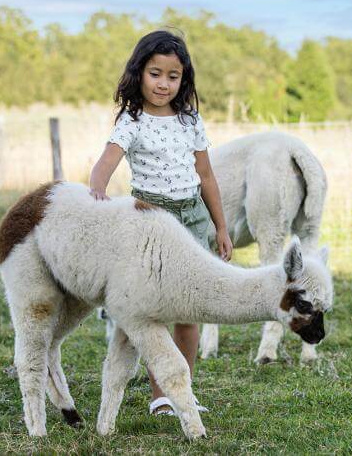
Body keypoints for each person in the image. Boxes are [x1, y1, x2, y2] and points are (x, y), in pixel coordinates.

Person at [89, 29, 233, 416]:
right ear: (139, 72)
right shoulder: (131, 120)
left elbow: (206, 177)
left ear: (183, 79)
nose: (164, 83)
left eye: (174, 76)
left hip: (193, 217)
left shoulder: (190, 120)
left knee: (190, 311)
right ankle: (160, 395)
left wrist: (220, 227)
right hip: (151, 219)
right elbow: (106, 161)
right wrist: (98, 192)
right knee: (157, 313)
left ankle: (183, 390)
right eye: (156, 73)